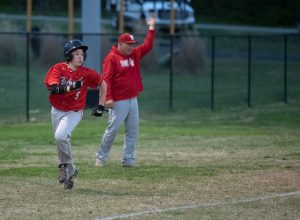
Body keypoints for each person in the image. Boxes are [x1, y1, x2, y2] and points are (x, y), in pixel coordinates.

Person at [44, 39, 107, 189]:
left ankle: (63, 166)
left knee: (60, 136)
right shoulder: (58, 68)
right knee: (62, 140)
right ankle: (71, 170)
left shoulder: (86, 73)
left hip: (74, 111)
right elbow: (53, 88)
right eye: (76, 53)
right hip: (57, 110)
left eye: (82, 54)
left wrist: (100, 106)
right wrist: (71, 87)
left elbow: (102, 84)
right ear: (68, 55)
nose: (80, 56)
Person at [95, 15, 156, 167]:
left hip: (132, 99)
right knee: (112, 130)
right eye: (128, 44)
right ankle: (101, 157)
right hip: (118, 101)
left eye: (132, 44)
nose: (131, 47)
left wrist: (151, 27)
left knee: (132, 131)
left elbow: (147, 46)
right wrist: (108, 98)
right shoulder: (112, 58)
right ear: (120, 44)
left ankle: (128, 160)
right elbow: (106, 79)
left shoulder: (134, 54)